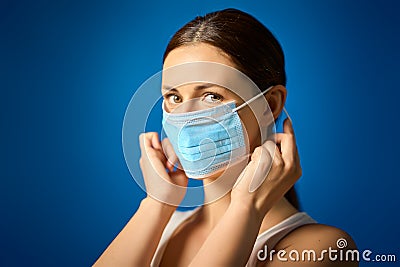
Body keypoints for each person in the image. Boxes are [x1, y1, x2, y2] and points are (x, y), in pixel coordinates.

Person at [94, 8, 358, 266]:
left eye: (212, 96)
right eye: (174, 97)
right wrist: (157, 204)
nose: (185, 117)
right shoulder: (159, 230)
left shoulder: (319, 249)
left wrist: (247, 208)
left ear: (271, 104)